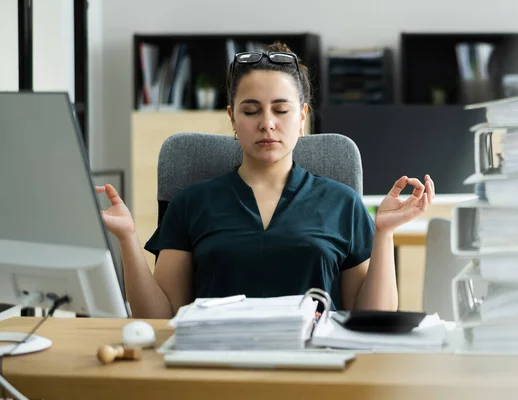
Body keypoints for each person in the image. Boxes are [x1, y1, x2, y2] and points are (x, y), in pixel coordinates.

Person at [96, 42, 435, 319]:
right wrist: (127, 238)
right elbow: (159, 318)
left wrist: (384, 234)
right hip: (215, 367)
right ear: (232, 117)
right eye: (251, 110)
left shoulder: (342, 202)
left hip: (316, 369)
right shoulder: (191, 203)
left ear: (302, 117)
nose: (267, 123)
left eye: (281, 110)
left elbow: (370, 318)